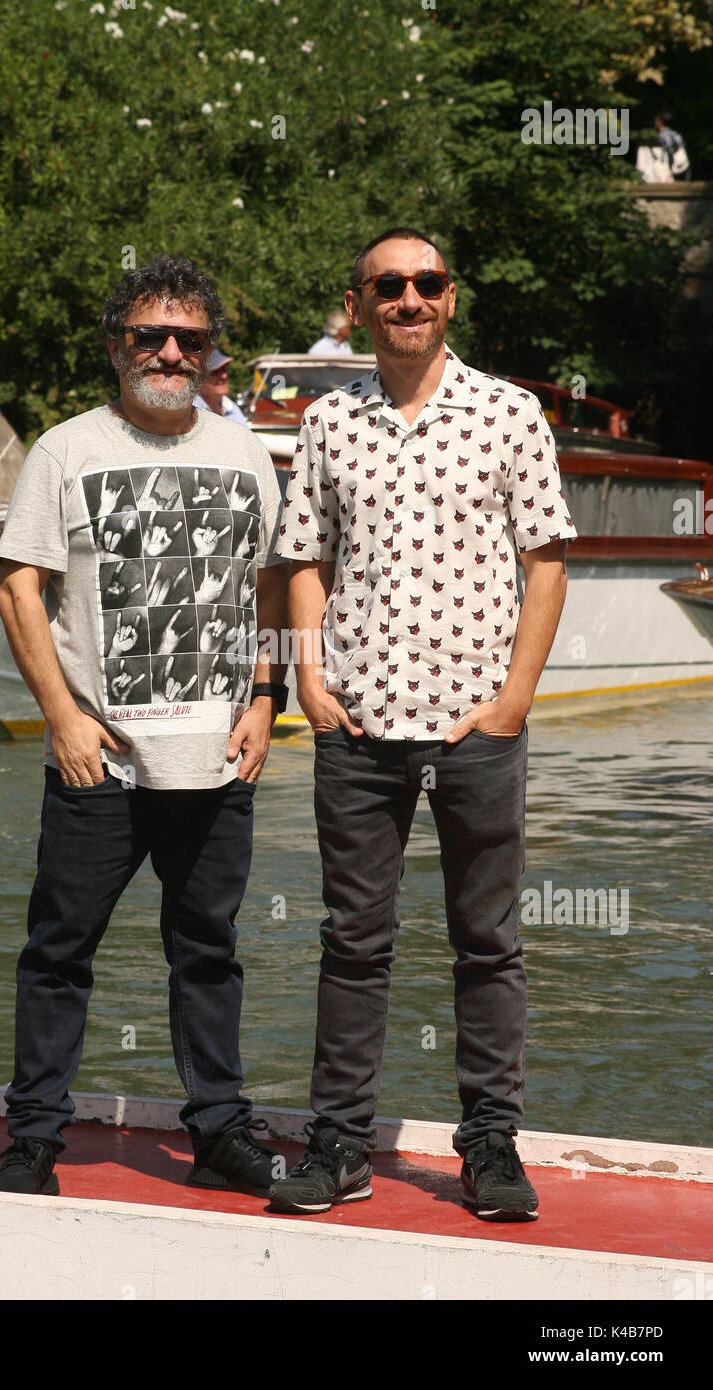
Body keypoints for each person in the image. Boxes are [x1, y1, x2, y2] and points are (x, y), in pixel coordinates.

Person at [271, 226, 576, 1221]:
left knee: (485, 939)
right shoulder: (325, 422)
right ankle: (339, 1143)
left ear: (449, 298)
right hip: (355, 727)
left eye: (425, 282)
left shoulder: (508, 413)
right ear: (358, 305)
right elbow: (301, 560)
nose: (408, 297)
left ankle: (488, 1146)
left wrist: (512, 703)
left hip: (472, 725)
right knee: (351, 939)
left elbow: (544, 563)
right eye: (387, 285)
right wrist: (308, 684)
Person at [0, 254, 289, 1198]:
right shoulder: (66, 450)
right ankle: (33, 1140)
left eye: (188, 338)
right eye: (149, 335)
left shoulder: (245, 453)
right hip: (99, 762)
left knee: (208, 953)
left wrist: (268, 697)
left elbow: (273, 582)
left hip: (217, 757)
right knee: (58, 952)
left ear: (209, 353)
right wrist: (62, 716)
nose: (168, 351)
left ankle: (220, 1133)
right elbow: (17, 587)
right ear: (116, 344)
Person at [194, 347, 249, 424]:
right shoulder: (191, 412)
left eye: (224, 369)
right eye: (215, 372)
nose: (224, 376)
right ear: (198, 379)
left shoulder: (231, 408)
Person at [655, 113, 692, 180]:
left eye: (657, 121)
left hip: (670, 167)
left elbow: (668, 149)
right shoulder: (676, 134)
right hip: (683, 164)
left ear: (661, 122)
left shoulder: (662, 136)